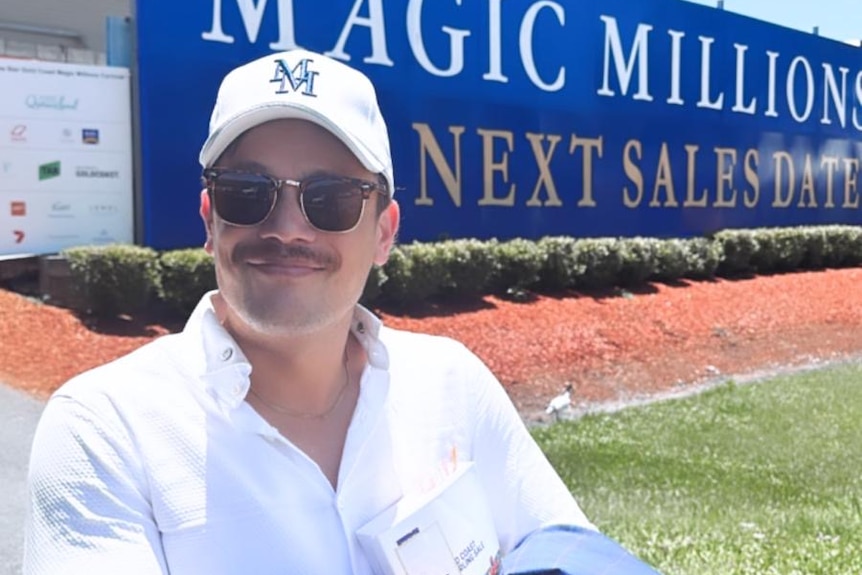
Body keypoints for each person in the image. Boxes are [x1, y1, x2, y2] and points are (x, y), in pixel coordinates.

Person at [24, 49, 661, 574]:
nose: (286, 226)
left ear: (385, 233)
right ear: (208, 219)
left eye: (330, 198)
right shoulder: (105, 431)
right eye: (248, 192)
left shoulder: (452, 383)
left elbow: (570, 554)